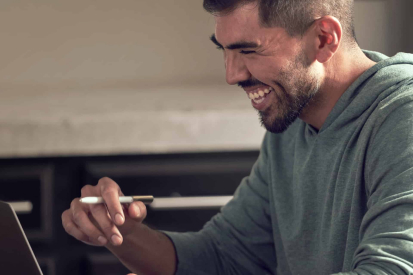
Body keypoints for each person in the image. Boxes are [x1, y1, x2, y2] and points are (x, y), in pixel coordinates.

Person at [62, 0, 413, 274]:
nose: (232, 75)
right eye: (224, 50)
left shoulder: (402, 117)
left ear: (323, 39)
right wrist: (121, 234)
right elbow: (223, 257)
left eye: (248, 51)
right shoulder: (292, 119)